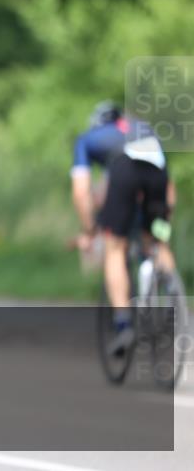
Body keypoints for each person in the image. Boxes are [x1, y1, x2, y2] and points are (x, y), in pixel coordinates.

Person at [71, 101, 178, 355]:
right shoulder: (143, 128)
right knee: (156, 242)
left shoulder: (88, 139)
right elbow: (169, 191)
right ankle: (172, 298)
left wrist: (89, 230)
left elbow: (81, 192)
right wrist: (162, 229)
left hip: (124, 173)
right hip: (158, 176)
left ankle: (123, 325)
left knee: (115, 248)